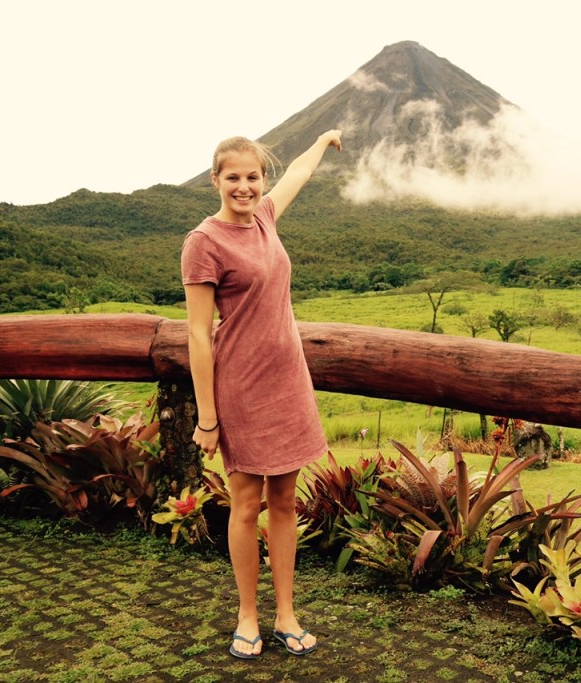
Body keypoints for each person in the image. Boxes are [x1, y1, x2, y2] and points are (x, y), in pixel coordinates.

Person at [180, 130, 343, 659]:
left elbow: (298, 172)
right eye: (233, 177)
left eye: (253, 177)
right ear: (215, 180)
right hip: (243, 387)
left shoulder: (266, 217)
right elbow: (198, 335)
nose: (244, 187)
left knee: (285, 502)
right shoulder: (203, 242)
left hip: (288, 381)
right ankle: (247, 615)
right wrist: (207, 418)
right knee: (246, 505)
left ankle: (286, 614)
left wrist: (323, 140)